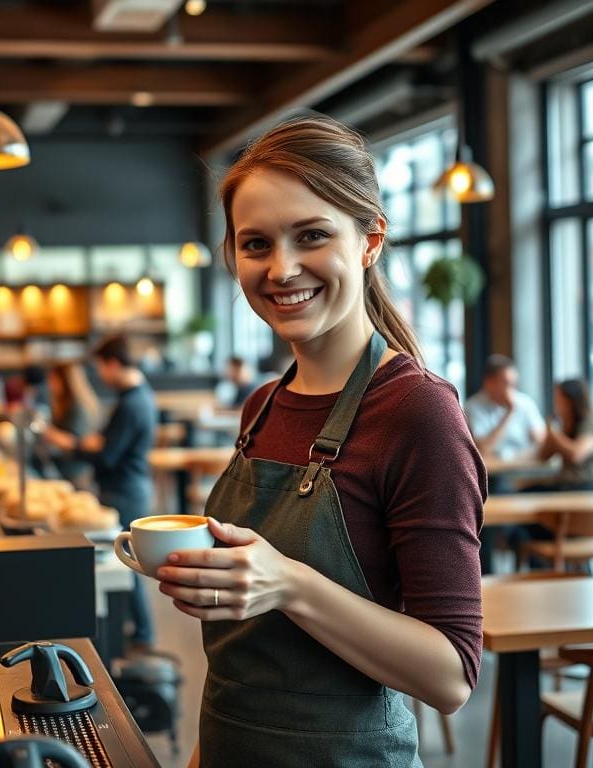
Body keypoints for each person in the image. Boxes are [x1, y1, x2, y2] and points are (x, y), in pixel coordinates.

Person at [153, 117, 485, 767]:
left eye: (311, 236)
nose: (281, 269)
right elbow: (245, 661)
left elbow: (451, 677)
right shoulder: (262, 406)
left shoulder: (418, 413)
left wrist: (289, 584)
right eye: (255, 244)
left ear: (370, 240)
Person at [42, 336, 158, 647]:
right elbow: (104, 444)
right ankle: (139, 631)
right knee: (131, 563)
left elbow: (106, 454)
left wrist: (77, 445)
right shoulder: (138, 397)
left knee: (129, 564)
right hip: (130, 486)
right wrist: (92, 444)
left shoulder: (132, 402)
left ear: (114, 364)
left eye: (101, 369)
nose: (101, 377)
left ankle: (142, 634)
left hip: (124, 490)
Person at [465, 354, 546, 461]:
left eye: (514, 383)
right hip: (495, 473)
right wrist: (509, 413)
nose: (512, 389)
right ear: (489, 383)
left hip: (525, 466)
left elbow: (541, 440)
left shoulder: (525, 402)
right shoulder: (473, 406)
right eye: (506, 383)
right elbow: (483, 449)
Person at [535, 378, 593, 490]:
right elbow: (543, 457)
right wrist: (551, 434)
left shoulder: (592, 423)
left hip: (590, 483)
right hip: (567, 483)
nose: (556, 405)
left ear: (572, 401)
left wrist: (554, 433)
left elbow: (576, 454)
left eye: (560, 400)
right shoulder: (565, 425)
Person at [45, 362, 101, 488]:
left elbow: (74, 443)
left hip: (77, 470)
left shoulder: (78, 408)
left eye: (53, 380)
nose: (50, 385)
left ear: (66, 381)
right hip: (67, 467)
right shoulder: (64, 405)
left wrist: (47, 432)